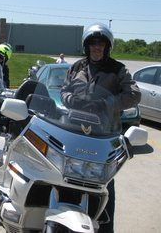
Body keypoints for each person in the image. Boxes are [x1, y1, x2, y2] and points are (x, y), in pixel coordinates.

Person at [60, 23, 141, 233]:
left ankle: (105, 228)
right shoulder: (76, 67)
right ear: (87, 46)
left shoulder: (118, 69)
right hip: (75, 132)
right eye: (93, 43)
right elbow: (63, 91)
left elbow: (134, 95)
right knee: (69, 181)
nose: (97, 47)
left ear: (107, 46)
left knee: (104, 186)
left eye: (101, 43)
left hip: (103, 136)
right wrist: (73, 100)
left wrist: (107, 103)